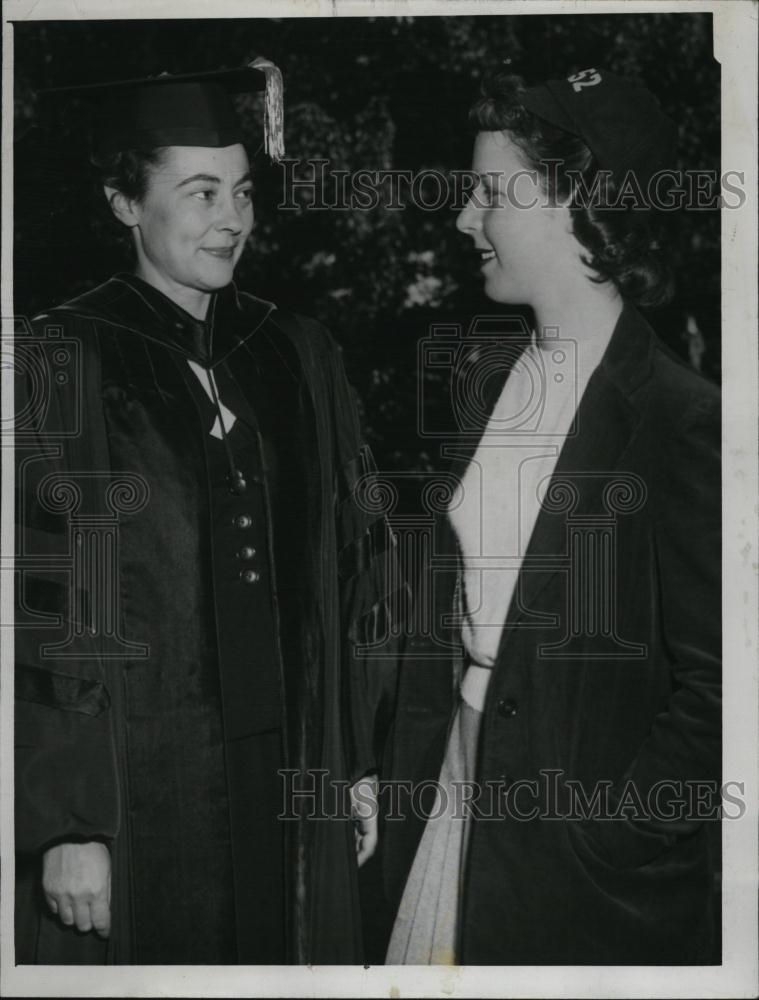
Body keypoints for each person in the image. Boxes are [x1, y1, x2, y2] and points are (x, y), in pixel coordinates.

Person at [14, 62, 401, 965]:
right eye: (199, 193)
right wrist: (65, 821)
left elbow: (361, 563)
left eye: (242, 191)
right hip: (145, 773)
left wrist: (360, 759)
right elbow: (43, 600)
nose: (232, 218)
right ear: (123, 203)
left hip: (295, 757)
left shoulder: (296, 352)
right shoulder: (60, 357)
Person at [382, 68, 721, 964]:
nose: (463, 219)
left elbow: (722, 692)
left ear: (576, 201)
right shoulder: (484, 374)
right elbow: (442, 611)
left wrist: (604, 839)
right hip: (451, 798)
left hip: (575, 873)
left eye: (490, 193)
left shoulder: (684, 421)